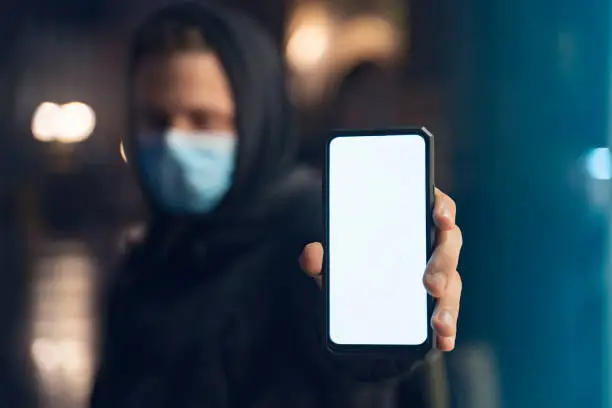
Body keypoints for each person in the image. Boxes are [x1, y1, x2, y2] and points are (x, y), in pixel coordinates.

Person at [90, 2, 463, 408]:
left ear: (257, 119)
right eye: (157, 120)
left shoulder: (309, 235)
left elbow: (359, 379)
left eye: (203, 120)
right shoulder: (149, 260)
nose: (174, 143)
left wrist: (381, 353)